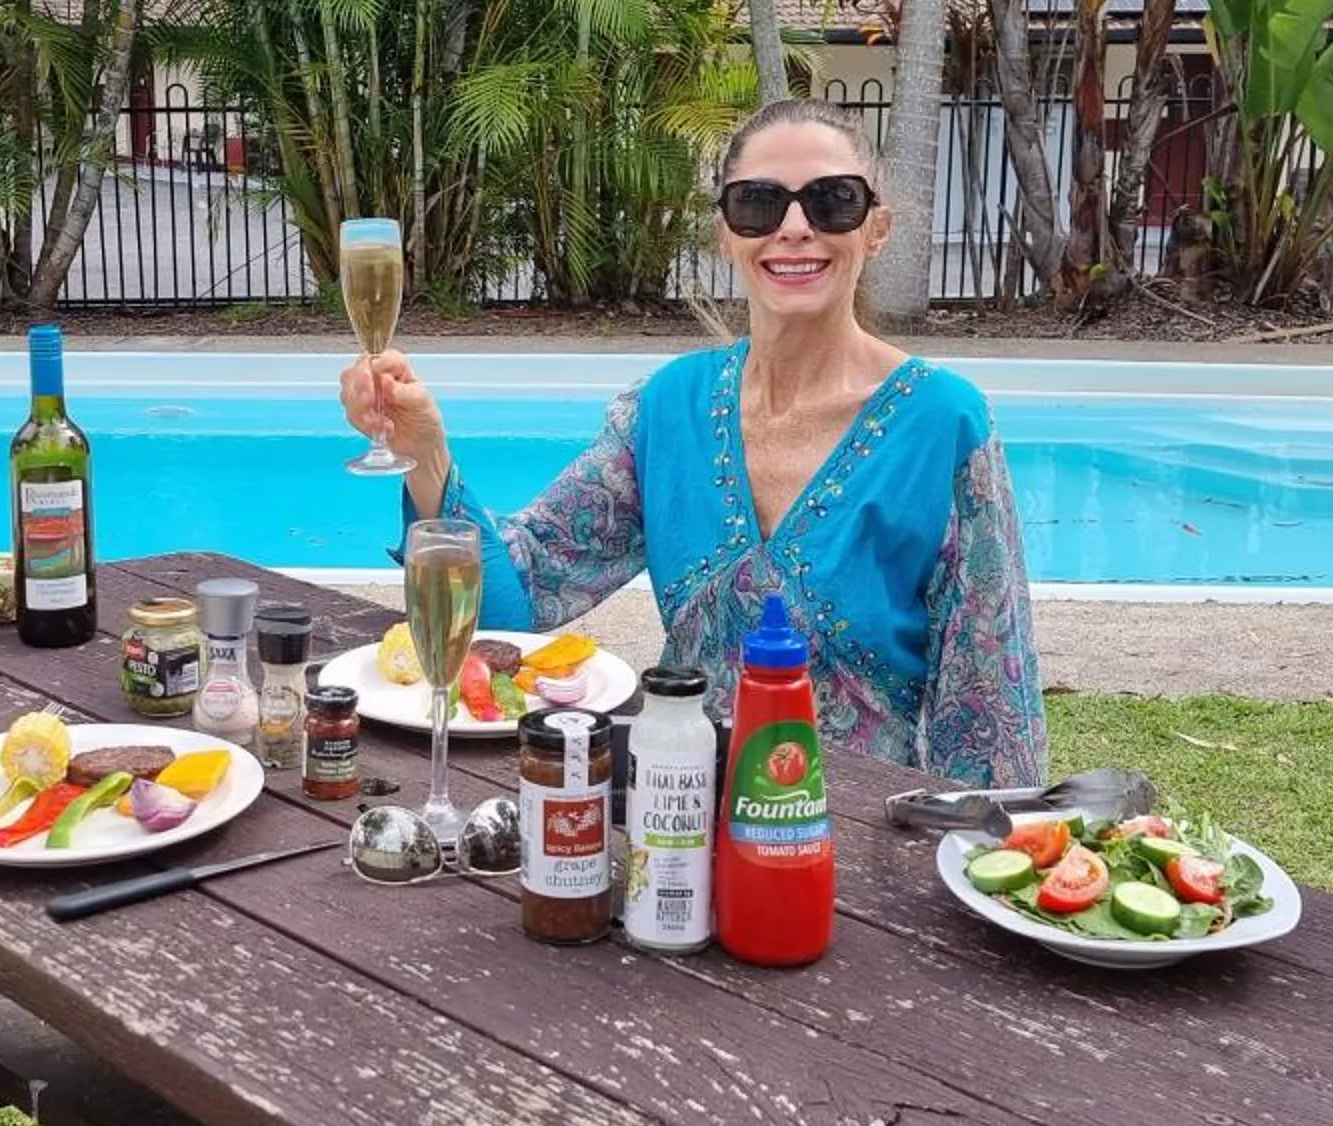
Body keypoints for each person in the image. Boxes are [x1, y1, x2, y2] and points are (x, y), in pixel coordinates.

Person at [341, 98, 1045, 786]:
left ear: (877, 228)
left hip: (854, 846)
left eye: (832, 200)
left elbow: (988, 719)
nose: (794, 227)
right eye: (758, 203)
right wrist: (426, 452)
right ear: (724, 234)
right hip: (678, 817)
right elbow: (513, 605)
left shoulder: (943, 423)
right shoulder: (669, 409)